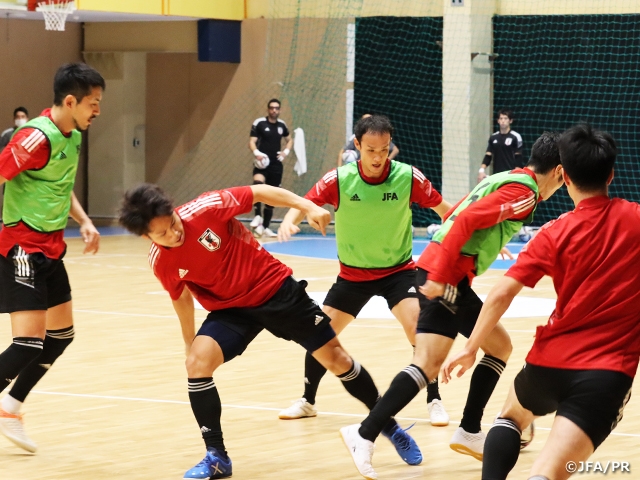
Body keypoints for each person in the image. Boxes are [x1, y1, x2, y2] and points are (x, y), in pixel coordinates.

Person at [118, 182, 424, 480]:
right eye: (163, 234)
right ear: (147, 236)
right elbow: (181, 296)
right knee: (196, 364)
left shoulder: (207, 208)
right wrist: (189, 342)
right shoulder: (161, 261)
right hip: (231, 309)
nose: (174, 232)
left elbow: (260, 192)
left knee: (337, 360)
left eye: (172, 222)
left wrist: (306, 206)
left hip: (274, 290)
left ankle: (387, 424)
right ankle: (217, 457)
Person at [340, 131, 565, 480]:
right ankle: (380, 432)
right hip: (444, 275)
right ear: (560, 173)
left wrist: (489, 244)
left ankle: (449, 430)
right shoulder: (526, 193)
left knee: (460, 355)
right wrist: (440, 275)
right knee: (466, 354)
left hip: (442, 269)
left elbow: (461, 213)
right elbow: (468, 219)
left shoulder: (507, 177)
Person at [441, 124, 637, 480]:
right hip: (605, 372)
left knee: (510, 417)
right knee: (546, 473)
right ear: (610, 174)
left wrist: (471, 348)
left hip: (547, 366)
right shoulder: (635, 219)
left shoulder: (553, 232)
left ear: (566, 176)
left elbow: (501, 292)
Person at [278, 114, 452, 431]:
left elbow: (446, 211)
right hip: (353, 276)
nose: (377, 157)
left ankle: (434, 400)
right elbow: (306, 201)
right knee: (319, 333)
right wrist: (292, 219)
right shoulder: (340, 179)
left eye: (384, 150)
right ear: (357, 145)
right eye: (370, 150)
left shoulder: (408, 176)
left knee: (418, 327)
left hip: (398, 272)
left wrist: (468, 232)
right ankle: (307, 401)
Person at [0, 63, 104, 453]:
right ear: (71, 100)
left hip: (52, 250)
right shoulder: (33, 138)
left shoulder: (73, 135)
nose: (97, 111)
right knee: (28, 343)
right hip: (22, 248)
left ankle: (9, 407)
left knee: (61, 337)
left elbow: (60, 185)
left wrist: (85, 220)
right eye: (93, 104)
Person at [248, 98, 294, 238]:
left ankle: (266, 226)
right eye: (272, 108)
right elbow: (252, 141)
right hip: (261, 163)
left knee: (272, 195)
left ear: (279, 110)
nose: (274, 110)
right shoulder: (260, 123)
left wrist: (285, 152)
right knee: (258, 186)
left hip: (275, 164)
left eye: (276, 108)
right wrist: (257, 153)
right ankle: (257, 216)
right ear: (268, 109)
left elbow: (289, 139)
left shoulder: (282, 125)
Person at [478, 109, 523, 183]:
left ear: (510, 121)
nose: (503, 121)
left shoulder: (516, 137)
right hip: (497, 176)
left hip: (510, 175)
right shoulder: (493, 137)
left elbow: (518, 158)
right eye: (501, 118)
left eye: (505, 118)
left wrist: (516, 175)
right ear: (498, 121)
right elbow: (488, 156)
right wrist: (481, 170)